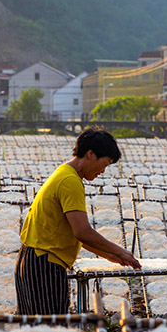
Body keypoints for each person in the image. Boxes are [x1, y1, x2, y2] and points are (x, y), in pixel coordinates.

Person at [16, 127, 141, 315]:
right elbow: (82, 231)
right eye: (104, 164)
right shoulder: (70, 181)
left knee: (37, 329)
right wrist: (120, 251)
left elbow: (75, 233)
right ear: (90, 154)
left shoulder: (64, 173)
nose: (103, 171)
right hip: (44, 264)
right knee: (49, 330)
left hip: (35, 260)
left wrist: (109, 255)